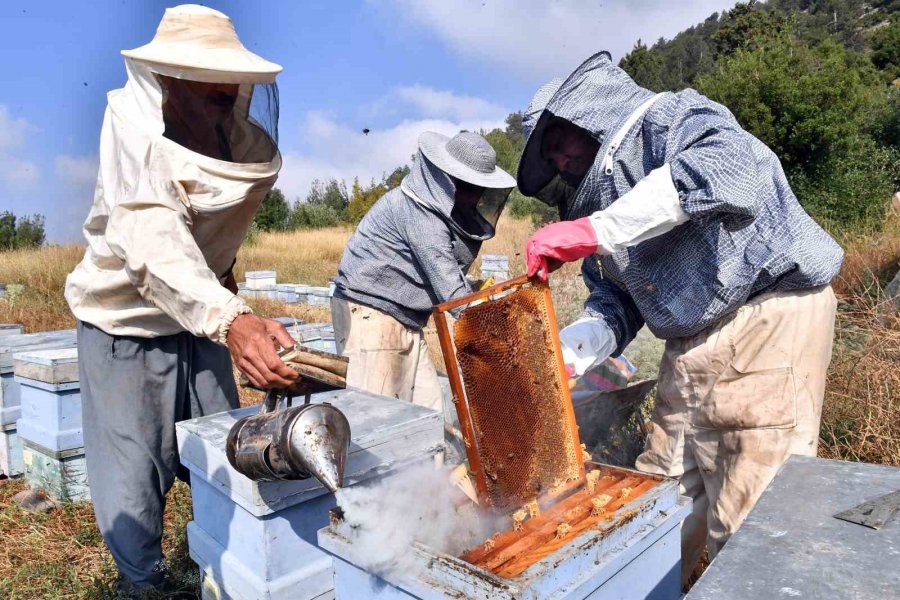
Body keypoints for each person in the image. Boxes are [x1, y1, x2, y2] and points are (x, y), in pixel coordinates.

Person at [517, 51, 843, 582]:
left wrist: (599, 229)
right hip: (688, 348)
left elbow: (732, 166)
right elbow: (616, 302)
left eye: (559, 145)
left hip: (765, 321)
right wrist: (568, 353)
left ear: (588, 116)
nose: (558, 163)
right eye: (549, 160)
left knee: (748, 521)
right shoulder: (594, 203)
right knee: (656, 504)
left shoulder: (672, 119)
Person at [64, 5, 298, 592]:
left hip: (197, 325)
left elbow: (208, 229)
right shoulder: (132, 129)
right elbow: (154, 244)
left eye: (233, 94)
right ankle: (142, 584)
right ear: (173, 83)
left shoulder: (229, 135)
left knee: (223, 450)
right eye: (215, 94)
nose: (229, 104)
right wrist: (232, 319)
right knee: (133, 476)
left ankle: (226, 557)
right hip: (127, 329)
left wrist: (226, 285)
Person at [331, 131, 515, 410]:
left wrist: (477, 290)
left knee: (429, 414)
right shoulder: (419, 212)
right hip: (371, 317)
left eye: (480, 187)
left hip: (407, 321)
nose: (476, 195)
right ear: (448, 180)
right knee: (378, 420)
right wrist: (503, 342)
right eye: (470, 185)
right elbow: (452, 293)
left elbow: (439, 273)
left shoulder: (435, 212)